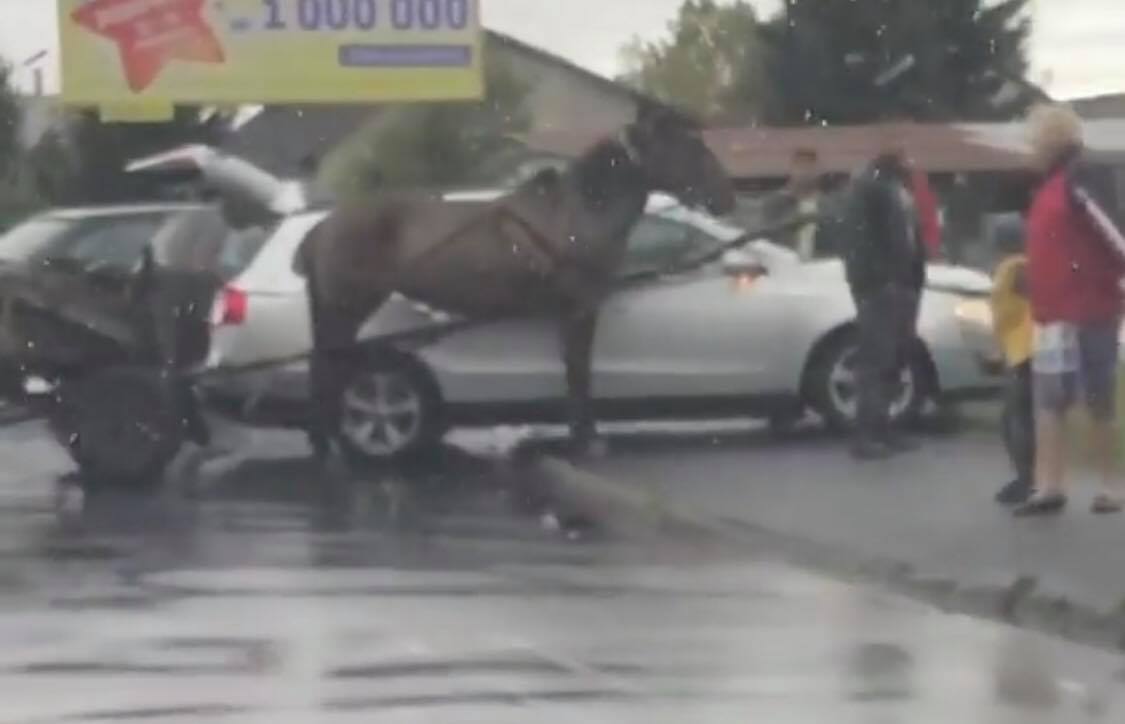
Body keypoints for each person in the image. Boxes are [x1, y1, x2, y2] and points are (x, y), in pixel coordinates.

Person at [1016, 104, 1125, 516]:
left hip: (1089, 307)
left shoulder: (1081, 177)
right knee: (1049, 401)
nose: (1028, 149)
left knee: (1098, 399)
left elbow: (1112, 230)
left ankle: (1112, 486)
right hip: (1052, 313)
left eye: (1033, 140)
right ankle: (1050, 485)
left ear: (1050, 140)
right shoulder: (1049, 186)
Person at [841, 146, 926, 460]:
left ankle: (885, 427)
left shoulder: (897, 190)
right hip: (880, 288)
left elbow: (911, 238)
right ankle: (866, 435)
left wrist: (914, 280)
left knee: (895, 358)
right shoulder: (868, 190)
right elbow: (859, 242)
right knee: (876, 360)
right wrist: (877, 281)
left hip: (904, 285)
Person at [990, 216, 1035, 505]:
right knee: (1015, 419)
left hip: (1026, 351)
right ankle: (1027, 477)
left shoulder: (1018, 268)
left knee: (1017, 418)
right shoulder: (1014, 267)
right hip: (1018, 350)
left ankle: (1027, 480)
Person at [762, 147, 824, 261]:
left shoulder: (828, 206)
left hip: (820, 268)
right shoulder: (775, 205)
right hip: (785, 267)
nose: (805, 172)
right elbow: (767, 240)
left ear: (818, 171)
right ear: (791, 169)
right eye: (800, 166)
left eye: (810, 166)